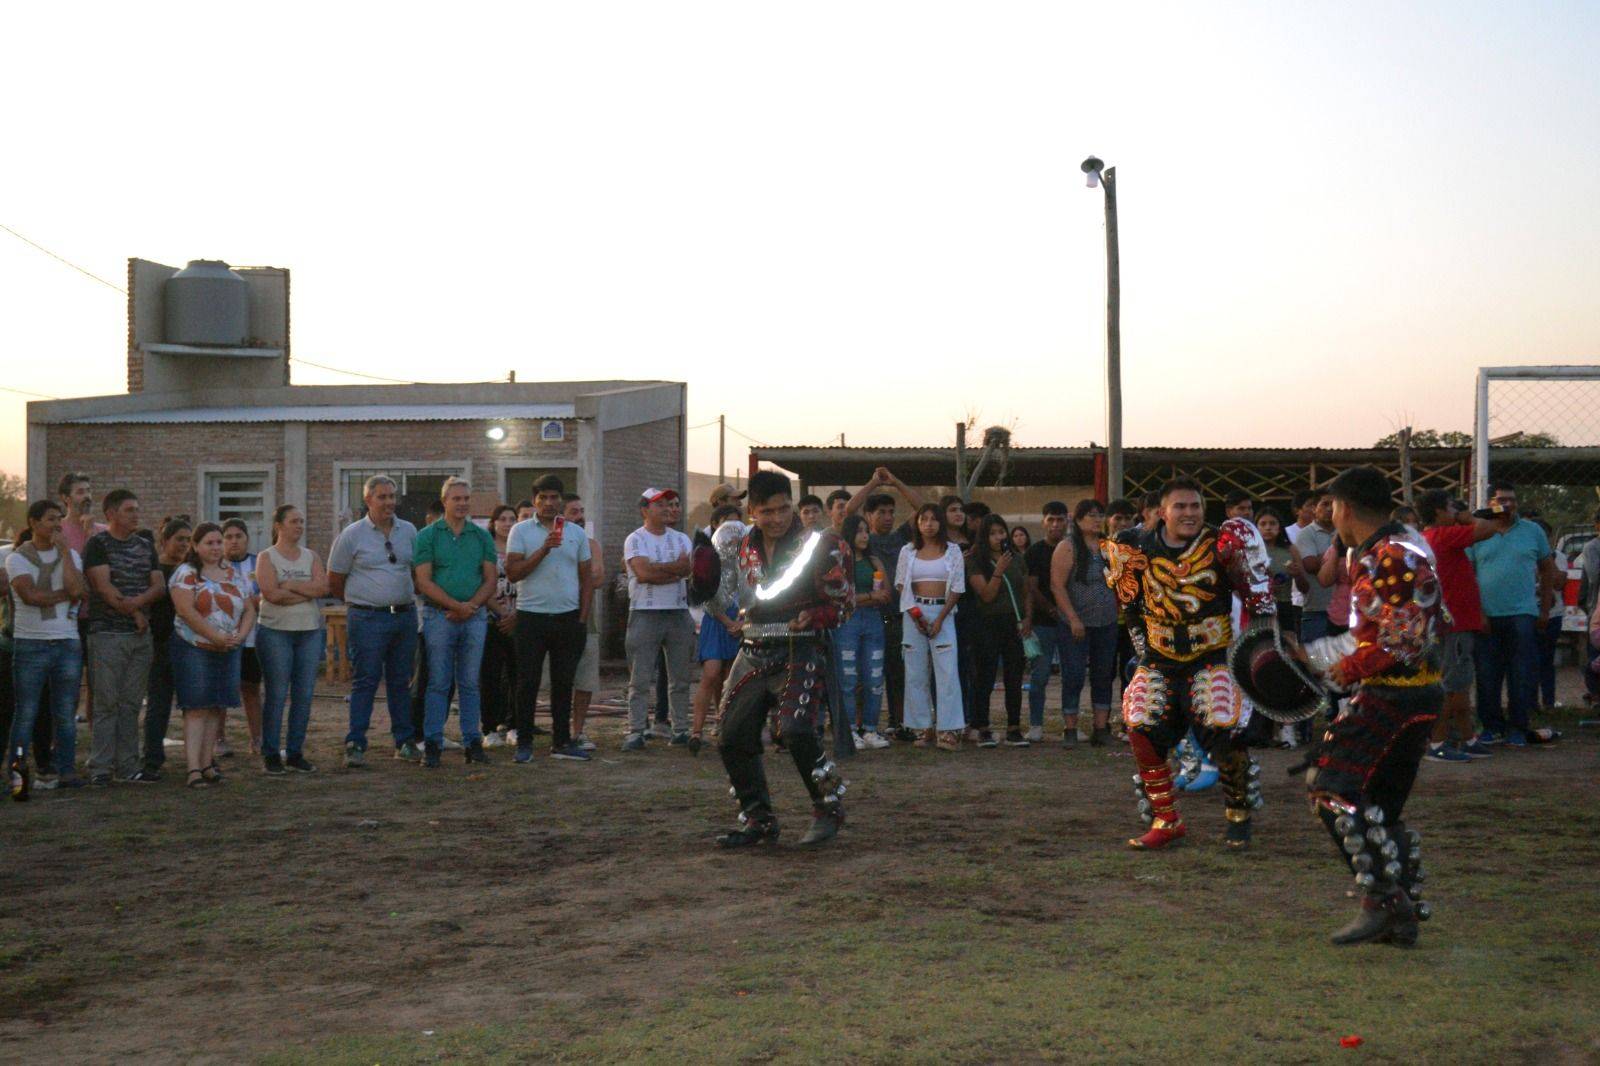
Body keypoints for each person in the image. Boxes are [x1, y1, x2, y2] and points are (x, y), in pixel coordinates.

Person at [1294, 467, 1443, 946]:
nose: (1331, 514)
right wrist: (1319, 657)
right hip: (1411, 692)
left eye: (1332, 506)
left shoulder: (1390, 555)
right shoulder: (1398, 548)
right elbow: (1378, 634)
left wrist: (1343, 668)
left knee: (1331, 788)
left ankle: (1384, 900)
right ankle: (1399, 915)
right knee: (1379, 805)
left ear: (1346, 508)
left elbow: (1402, 640)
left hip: (1393, 695)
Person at [1103, 477, 1276, 850]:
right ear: (1161, 512)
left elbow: (1259, 602)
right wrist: (1143, 649)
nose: (1189, 513)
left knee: (1225, 728)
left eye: (1195, 506)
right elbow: (1130, 607)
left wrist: (1259, 654)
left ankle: (1238, 815)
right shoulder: (1132, 547)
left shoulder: (1224, 543)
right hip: (1159, 656)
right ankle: (1166, 820)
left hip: (1212, 654)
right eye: (1180, 506)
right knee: (1140, 727)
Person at [714, 470, 853, 848]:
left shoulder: (821, 545)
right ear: (752, 511)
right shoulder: (740, 546)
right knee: (730, 734)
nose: (776, 518)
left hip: (802, 644)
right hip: (754, 647)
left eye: (783, 509)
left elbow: (844, 602)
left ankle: (829, 806)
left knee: (794, 728)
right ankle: (758, 819)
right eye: (766, 511)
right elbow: (727, 591)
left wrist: (815, 616)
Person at [327, 475, 419, 768]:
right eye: (382, 497)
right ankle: (355, 742)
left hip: (404, 616)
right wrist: (361, 602)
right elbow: (335, 579)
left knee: (400, 681)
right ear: (368, 500)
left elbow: (416, 571)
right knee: (365, 680)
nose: (390, 502)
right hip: (367, 617)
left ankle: (404, 741)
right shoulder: (351, 535)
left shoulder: (409, 531)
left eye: (392, 496)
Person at [505, 474, 595, 762]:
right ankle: (524, 742)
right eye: (542, 497)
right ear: (535, 500)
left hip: (567, 619)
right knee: (527, 682)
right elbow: (514, 572)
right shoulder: (520, 531)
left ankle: (561, 741)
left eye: (554, 497)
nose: (548, 502)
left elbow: (586, 579)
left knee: (563, 682)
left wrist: (581, 619)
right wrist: (545, 548)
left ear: (561, 500)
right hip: (531, 618)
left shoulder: (577, 534)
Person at [1467, 482, 1562, 747]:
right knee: (1487, 673)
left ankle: (1518, 728)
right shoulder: (1477, 533)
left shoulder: (1532, 532)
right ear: (1490, 503)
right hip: (1487, 615)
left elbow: (1547, 570)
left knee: (1522, 673)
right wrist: (1477, 613)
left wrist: (1544, 610)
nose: (1507, 505)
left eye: (1511, 500)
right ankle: (1490, 726)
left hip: (1523, 613)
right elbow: (1468, 575)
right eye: (1501, 500)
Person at [413, 477, 498, 768]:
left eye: (465, 499)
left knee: (470, 682)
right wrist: (455, 606)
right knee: (438, 682)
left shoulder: (482, 536)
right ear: (445, 502)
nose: (462, 504)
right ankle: (433, 743)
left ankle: (472, 742)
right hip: (439, 616)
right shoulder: (427, 536)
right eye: (456, 499)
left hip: (474, 617)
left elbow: (490, 579)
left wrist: (470, 606)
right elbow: (423, 580)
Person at [1418, 491, 1508, 762]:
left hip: (1455, 622)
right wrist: (1467, 517)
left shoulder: (1432, 538)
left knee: (1459, 684)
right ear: (1437, 511)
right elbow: (1488, 529)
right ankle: (1437, 742)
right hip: (1454, 623)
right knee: (1452, 684)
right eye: (1449, 508)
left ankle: (1467, 737)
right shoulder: (1442, 536)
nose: (1454, 513)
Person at [82, 489, 164, 786]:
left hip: (140, 638)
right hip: (108, 634)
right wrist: (135, 613)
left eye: (136, 509)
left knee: (131, 703)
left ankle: (128, 765)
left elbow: (158, 585)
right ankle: (101, 767)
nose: (135, 514)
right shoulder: (98, 545)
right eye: (129, 509)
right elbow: (103, 587)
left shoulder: (145, 545)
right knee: (107, 703)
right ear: (111, 514)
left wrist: (139, 604)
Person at [5, 500, 87, 795]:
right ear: (34, 522)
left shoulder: (72, 556)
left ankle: (66, 771)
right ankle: (16, 777)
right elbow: (30, 596)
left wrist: (65, 552)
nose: (56, 525)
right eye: (50, 519)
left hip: (67, 642)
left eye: (58, 520)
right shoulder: (17, 559)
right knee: (26, 712)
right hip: (31, 643)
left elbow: (78, 590)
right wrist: (64, 595)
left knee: (65, 712)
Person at [168, 522, 254, 788]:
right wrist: (214, 636)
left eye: (219, 542)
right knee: (196, 707)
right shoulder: (186, 573)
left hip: (228, 648)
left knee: (217, 705)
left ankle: (207, 763)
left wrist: (240, 635)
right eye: (210, 543)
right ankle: (193, 768)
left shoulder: (232, 572)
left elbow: (250, 608)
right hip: (194, 648)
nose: (216, 548)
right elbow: (186, 610)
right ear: (196, 546)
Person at [846, 468, 926, 740]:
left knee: (898, 673)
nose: (888, 517)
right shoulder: (861, 542)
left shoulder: (901, 536)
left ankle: (898, 723)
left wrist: (896, 482)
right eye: (881, 512)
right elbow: (848, 511)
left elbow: (923, 508)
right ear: (868, 516)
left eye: (891, 512)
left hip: (897, 617)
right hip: (866, 615)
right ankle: (861, 726)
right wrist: (872, 483)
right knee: (864, 676)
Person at [254, 505, 329, 775]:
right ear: (279, 526)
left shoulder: (311, 556)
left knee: (304, 694)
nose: (299, 526)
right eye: (294, 521)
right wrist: (305, 592)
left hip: (308, 630)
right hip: (276, 631)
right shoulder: (266, 557)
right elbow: (272, 594)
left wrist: (291, 586)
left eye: (302, 521)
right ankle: (271, 752)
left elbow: (323, 587)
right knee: (276, 693)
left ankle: (295, 751)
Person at [621, 487, 695, 750]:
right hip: (644, 613)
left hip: (677, 612)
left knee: (680, 676)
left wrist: (659, 569)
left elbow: (686, 570)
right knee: (640, 678)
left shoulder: (682, 539)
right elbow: (643, 574)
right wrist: (671, 571)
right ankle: (636, 730)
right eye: (658, 504)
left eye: (668, 504)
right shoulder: (635, 539)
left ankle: (681, 729)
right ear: (645, 510)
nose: (666, 508)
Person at [895, 502, 966, 749]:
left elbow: (957, 586)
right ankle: (922, 727)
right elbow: (901, 584)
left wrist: (940, 618)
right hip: (914, 612)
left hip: (943, 613)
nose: (929, 524)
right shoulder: (908, 551)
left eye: (934, 519)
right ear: (917, 523)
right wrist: (917, 615)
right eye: (923, 519)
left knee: (947, 672)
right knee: (915, 672)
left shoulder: (953, 551)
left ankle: (948, 729)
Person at [1050, 499, 1119, 746]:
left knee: (1103, 675)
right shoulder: (1067, 547)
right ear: (1078, 520)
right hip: (1075, 623)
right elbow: (1057, 586)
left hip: (1107, 621)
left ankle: (1101, 728)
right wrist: (1072, 618)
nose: (1098, 519)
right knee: (1074, 675)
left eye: (1101, 515)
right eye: (1091, 515)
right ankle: (1070, 729)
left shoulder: (1109, 547)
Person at [968, 514, 1030, 747]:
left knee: (1014, 676)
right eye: (992, 534)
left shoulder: (1016, 557)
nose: (998, 538)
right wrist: (998, 571)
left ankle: (1014, 727)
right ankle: (982, 727)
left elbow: (1025, 590)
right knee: (985, 676)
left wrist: (1027, 618)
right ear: (984, 537)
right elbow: (986, 595)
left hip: (1013, 622)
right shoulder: (975, 560)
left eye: (1001, 532)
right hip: (986, 624)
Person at [690, 504, 746, 754]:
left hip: (742, 619)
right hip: (716, 619)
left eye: (737, 526)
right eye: (727, 525)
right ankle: (696, 731)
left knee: (734, 678)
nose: (733, 533)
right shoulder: (707, 557)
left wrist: (743, 621)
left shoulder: (747, 559)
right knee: (711, 673)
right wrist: (728, 622)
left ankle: (729, 725)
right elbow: (705, 594)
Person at [140, 517, 191, 781]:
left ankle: (199, 759)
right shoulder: (155, 570)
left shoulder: (194, 570)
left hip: (189, 645)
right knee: (158, 705)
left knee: (194, 706)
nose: (184, 544)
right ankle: (152, 759)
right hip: (159, 644)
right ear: (164, 541)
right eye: (179, 539)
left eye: (187, 539)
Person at [835, 514, 892, 749]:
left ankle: (870, 729)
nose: (864, 535)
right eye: (859, 530)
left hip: (873, 622)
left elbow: (886, 594)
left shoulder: (874, 562)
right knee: (847, 679)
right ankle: (849, 730)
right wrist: (869, 596)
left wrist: (862, 599)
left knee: (874, 678)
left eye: (866, 530)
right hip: (847, 622)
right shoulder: (839, 562)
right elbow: (839, 597)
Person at [1023, 501, 1070, 743]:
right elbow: (1031, 588)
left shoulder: (1074, 549)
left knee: (1071, 676)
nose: (1055, 525)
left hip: (1070, 621)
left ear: (1067, 521)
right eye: (1051, 519)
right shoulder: (1034, 552)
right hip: (1043, 623)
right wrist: (1043, 611)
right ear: (1043, 521)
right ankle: (1036, 724)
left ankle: (1070, 725)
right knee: (1039, 676)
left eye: (1060, 520)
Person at [564, 495, 604, 751]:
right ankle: (560, 730)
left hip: (586, 621)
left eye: (581, 511)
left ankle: (578, 731)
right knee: (558, 679)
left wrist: (573, 577)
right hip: (557, 617)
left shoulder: (592, 544)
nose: (579, 516)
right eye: (573, 512)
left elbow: (598, 577)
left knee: (585, 679)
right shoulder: (555, 543)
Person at [221, 519, 264, 757]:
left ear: (247, 538)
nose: (234, 541)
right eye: (228, 536)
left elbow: (263, 598)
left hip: (252, 639)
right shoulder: (215, 566)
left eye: (238, 536)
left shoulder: (258, 563)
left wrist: (248, 604)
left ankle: (257, 738)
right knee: (222, 690)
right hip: (222, 637)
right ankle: (219, 738)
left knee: (251, 688)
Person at [480, 505, 519, 747]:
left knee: (518, 676)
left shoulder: (522, 548)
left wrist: (515, 616)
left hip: (520, 621)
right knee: (490, 676)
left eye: (512, 519)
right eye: (502, 519)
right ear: (493, 523)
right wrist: (502, 612)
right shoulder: (485, 550)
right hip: (490, 619)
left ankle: (515, 725)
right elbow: (481, 584)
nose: (507, 523)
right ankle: (489, 728)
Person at [1295, 490, 1338, 643]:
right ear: (1314, 508)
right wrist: (1338, 554)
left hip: (1342, 609)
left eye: (1333, 504)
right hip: (1316, 609)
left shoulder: (1343, 532)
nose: (1330, 508)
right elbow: (1310, 564)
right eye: (1324, 504)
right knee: (1315, 662)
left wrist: (1324, 558)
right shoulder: (1306, 534)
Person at [1534, 519, 1566, 712]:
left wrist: (1548, 558)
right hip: (1529, 614)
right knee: (1528, 660)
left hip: (1553, 615)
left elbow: (1559, 583)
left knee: (1547, 659)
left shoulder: (1558, 557)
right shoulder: (1524, 556)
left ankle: (1549, 702)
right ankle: (1529, 702)